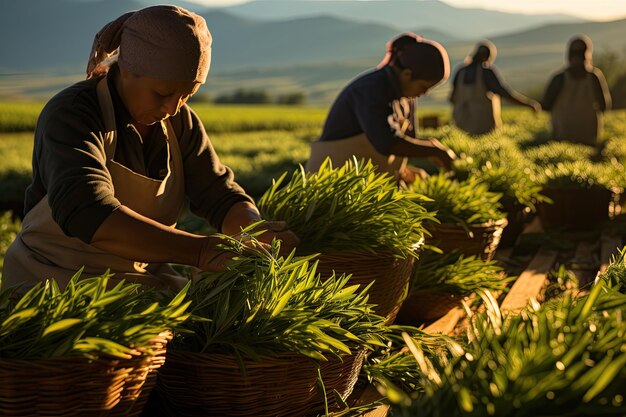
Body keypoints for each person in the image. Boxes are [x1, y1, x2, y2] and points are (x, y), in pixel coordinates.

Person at [1, 5, 298, 291]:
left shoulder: (181, 123)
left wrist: (255, 231)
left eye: (187, 94)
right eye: (163, 93)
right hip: (52, 284)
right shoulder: (73, 114)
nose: (173, 107)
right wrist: (199, 251)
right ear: (128, 69)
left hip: (134, 286)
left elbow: (219, 195)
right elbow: (86, 210)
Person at [306, 33, 456, 184]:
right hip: (331, 182)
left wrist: (428, 151)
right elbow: (387, 142)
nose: (424, 94)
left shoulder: (405, 98)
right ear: (407, 74)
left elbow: (406, 142)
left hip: (366, 182)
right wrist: (433, 150)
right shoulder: (371, 89)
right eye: (423, 87)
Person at [450, 40, 541, 135]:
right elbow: (505, 93)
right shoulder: (486, 72)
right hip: (482, 124)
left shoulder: (460, 72)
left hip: (460, 124)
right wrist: (528, 104)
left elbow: (452, 98)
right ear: (488, 57)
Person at [541, 35, 612, 146]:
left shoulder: (559, 78)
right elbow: (604, 106)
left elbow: (545, 105)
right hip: (589, 134)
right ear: (587, 54)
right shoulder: (594, 77)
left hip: (562, 134)